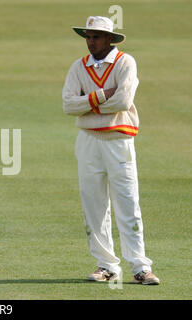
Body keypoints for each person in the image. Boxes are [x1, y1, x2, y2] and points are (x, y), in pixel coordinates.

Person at [62, 16, 160, 285]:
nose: (90, 41)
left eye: (96, 36)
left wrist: (87, 103)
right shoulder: (78, 67)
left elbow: (124, 99)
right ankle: (106, 266)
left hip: (119, 140)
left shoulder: (125, 62)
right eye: (88, 36)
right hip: (88, 140)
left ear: (109, 39)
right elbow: (68, 105)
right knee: (94, 205)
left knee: (127, 203)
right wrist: (103, 96)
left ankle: (140, 267)